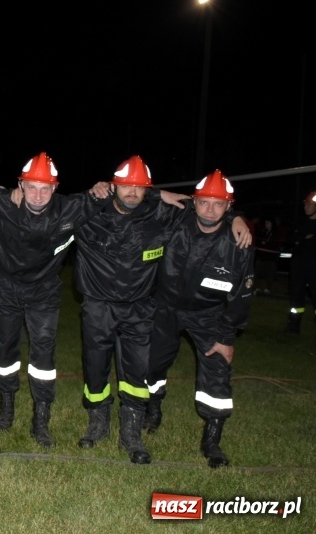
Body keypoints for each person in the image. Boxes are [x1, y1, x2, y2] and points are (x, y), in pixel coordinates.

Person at [72, 155, 251, 465]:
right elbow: (55, 208)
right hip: (125, 308)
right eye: (126, 186)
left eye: (140, 188)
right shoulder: (100, 212)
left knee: (139, 371)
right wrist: (97, 191)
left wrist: (238, 217)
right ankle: (102, 423)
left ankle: (138, 434)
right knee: (107, 367)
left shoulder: (183, 223)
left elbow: (240, 291)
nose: (132, 192)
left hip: (165, 310)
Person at [0, 152, 110, 448]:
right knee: (5, 349)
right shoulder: (2, 201)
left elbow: (131, 193)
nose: (37, 195)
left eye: (45, 188)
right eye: (31, 187)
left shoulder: (71, 209)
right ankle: (6, 408)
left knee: (43, 356)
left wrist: (105, 185)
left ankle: (40, 419)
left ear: (55, 188)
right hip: (7, 287)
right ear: (20, 184)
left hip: (45, 292)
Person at [144, 170, 255, 468]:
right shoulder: (175, 219)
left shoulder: (238, 243)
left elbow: (241, 296)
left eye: (218, 205)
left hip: (208, 314)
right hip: (165, 307)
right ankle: (152, 410)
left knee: (217, 371)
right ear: (194, 202)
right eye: (204, 202)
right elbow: (132, 199)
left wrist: (226, 337)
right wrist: (157, 194)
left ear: (228, 207)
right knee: (153, 362)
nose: (210, 209)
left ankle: (212, 441)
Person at [284, 191, 316, 333]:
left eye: (309, 204)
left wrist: (302, 239)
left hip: (314, 266)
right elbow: (291, 239)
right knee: (296, 295)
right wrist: (304, 238)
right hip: (298, 265)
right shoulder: (301, 222)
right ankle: (294, 325)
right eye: (305, 203)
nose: (305, 206)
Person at [253, 217, 279, 294]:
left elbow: (275, 244)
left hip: (271, 258)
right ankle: (257, 287)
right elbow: (259, 241)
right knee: (257, 273)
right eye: (265, 223)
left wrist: (266, 243)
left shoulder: (275, 233)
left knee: (269, 274)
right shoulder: (264, 232)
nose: (266, 224)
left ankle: (268, 288)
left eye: (268, 223)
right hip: (261, 257)